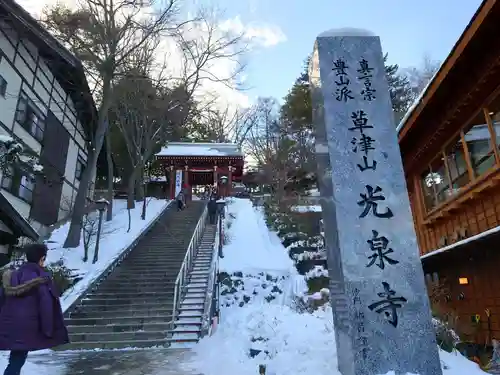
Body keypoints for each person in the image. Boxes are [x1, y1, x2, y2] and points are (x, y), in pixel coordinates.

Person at [0, 243, 69, 375]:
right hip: (29, 326)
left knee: (17, 357)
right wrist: (48, 330)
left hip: (10, 324)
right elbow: (46, 306)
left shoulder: (13, 276)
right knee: (17, 359)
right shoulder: (41, 279)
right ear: (42, 259)